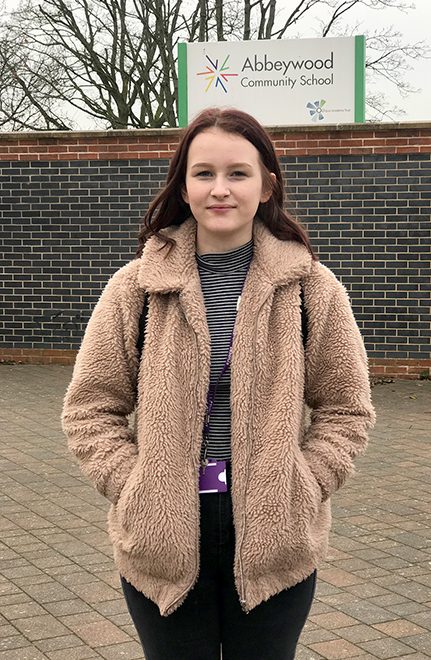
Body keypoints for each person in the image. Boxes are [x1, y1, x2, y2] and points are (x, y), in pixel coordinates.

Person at [61, 106, 376, 659]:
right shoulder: (135, 288)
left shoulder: (311, 289)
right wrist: (135, 485)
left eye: (238, 173)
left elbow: (347, 409)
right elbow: (90, 407)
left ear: (266, 185)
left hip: (277, 538)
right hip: (161, 539)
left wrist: (304, 483)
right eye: (203, 173)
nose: (220, 189)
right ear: (183, 187)